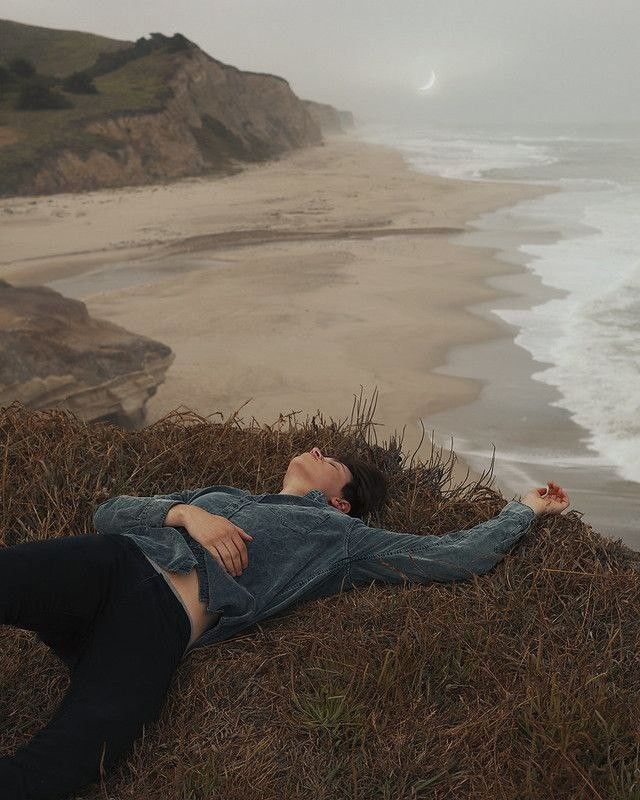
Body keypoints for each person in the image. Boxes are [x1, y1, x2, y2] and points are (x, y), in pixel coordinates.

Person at [0, 446, 570, 799]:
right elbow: (110, 513)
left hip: (158, 628)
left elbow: (453, 557)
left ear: (342, 502)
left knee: (75, 762)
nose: (318, 449)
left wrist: (524, 507)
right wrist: (189, 513)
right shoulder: (221, 495)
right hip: (113, 567)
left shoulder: (341, 537)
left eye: (335, 462)